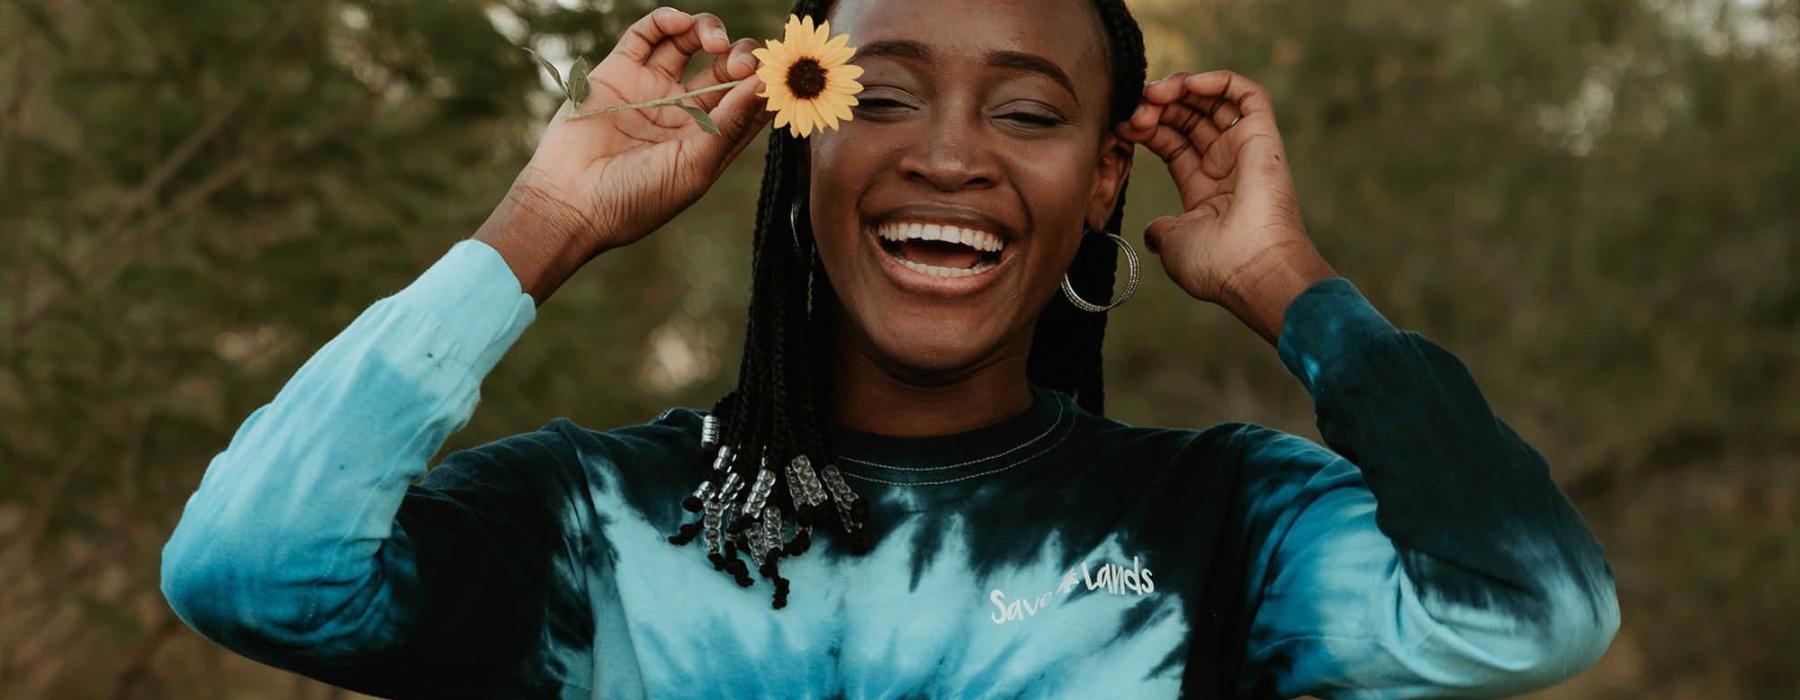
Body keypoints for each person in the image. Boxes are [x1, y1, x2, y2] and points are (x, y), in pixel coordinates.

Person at [159, 1, 1620, 697]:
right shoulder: (596, 522)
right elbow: (250, 568)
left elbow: (1529, 607)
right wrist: (539, 222)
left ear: (1106, 179)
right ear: (795, 141)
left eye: (1031, 115)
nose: (950, 159)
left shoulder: (1220, 523)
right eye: (884, 98)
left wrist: (1294, 284)